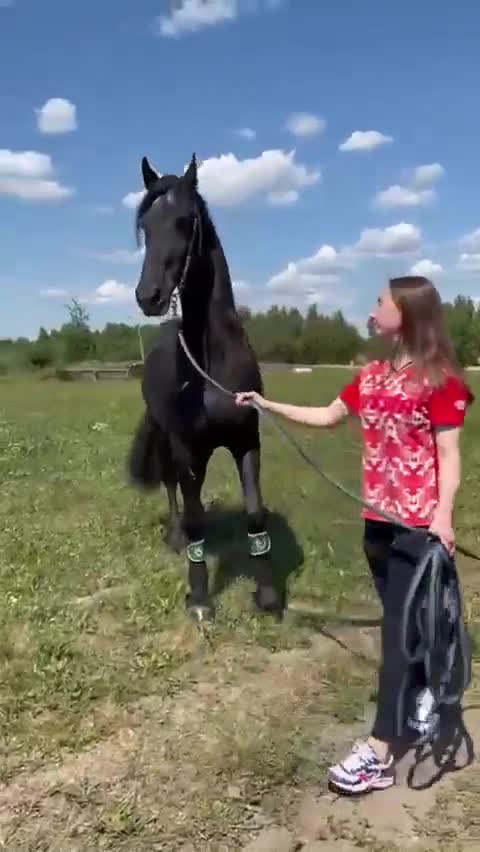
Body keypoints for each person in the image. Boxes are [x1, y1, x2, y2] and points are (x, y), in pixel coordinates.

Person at [236, 276, 474, 795]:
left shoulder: (441, 379)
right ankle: (417, 705)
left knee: (395, 633)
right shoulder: (370, 377)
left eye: (379, 302)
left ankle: (381, 750)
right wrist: (265, 405)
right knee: (404, 628)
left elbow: (451, 457)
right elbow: (327, 416)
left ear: (406, 314)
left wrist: (444, 516)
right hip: (376, 525)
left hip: (417, 526)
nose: (372, 309)